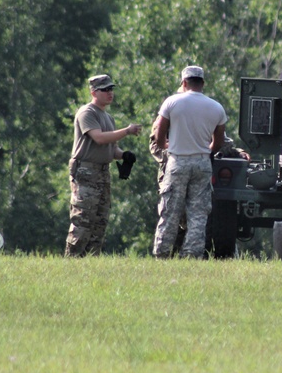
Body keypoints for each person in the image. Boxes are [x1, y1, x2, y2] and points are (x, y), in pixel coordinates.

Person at [152, 65, 228, 258]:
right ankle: (191, 254)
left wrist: (166, 146)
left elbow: (159, 134)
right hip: (202, 163)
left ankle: (162, 253)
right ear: (202, 83)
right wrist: (205, 152)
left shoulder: (172, 102)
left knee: (170, 210)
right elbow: (218, 141)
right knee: (198, 213)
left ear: (184, 83)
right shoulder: (216, 107)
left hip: (178, 161)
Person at [66, 74, 141, 257]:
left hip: (102, 173)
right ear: (93, 92)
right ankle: (71, 262)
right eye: (105, 90)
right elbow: (99, 138)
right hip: (86, 172)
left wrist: (124, 155)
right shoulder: (87, 113)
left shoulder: (108, 117)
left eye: (111, 89)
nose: (110, 93)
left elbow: (111, 148)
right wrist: (127, 131)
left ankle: (90, 263)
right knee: (83, 221)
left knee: (99, 222)